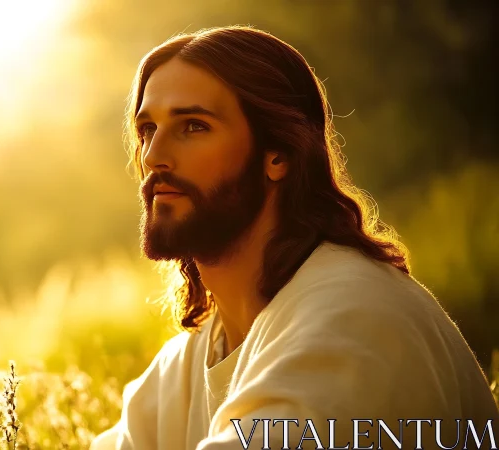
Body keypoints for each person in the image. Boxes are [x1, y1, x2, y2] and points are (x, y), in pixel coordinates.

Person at [89, 25, 499, 450]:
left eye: (193, 126)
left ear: (278, 155)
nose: (154, 156)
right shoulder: (189, 363)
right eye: (147, 130)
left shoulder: (353, 316)